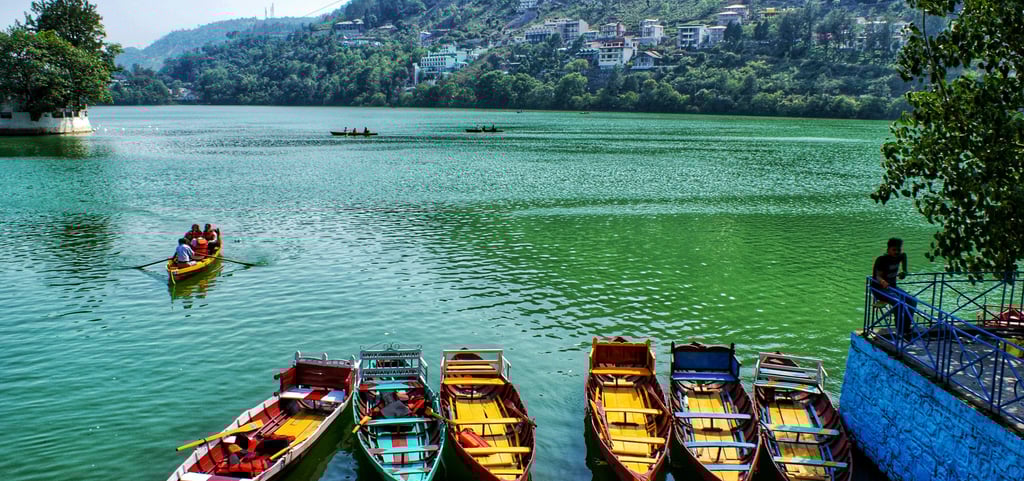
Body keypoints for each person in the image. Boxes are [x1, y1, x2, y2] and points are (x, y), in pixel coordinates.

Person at [872, 238, 917, 340]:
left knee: (912, 301)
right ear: (888, 250)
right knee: (898, 303)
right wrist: (883, 281)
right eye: (894, 250)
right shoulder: (881, 259)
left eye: (898, 250)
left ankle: (906, 328)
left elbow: (905, 271)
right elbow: (877, 276)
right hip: (879, 289)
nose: (896, 252)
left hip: (892, 288)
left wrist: (903, 273)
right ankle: (900, 330)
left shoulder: (902, 256)